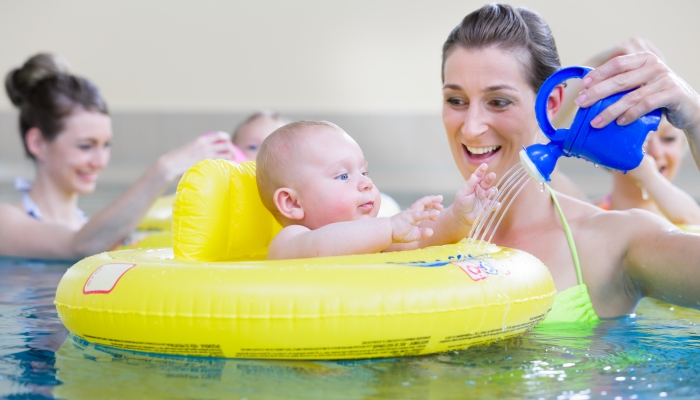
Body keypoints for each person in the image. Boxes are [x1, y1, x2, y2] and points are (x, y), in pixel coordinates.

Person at [440, 4, 700, 321]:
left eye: (498, 102)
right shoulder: (412, 235)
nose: (470, 127)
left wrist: (696, 119)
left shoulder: (612, 246)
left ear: (551, 104)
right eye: (456, 100)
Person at [0, 53, 237, 260]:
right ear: (38, 143)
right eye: (85, 146)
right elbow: (80, 246)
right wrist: (164, 169)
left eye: (106, 145)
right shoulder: (6, 222)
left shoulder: (92, 227)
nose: (100, 161)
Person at [255, 120, 498, 260]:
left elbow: (423, 239)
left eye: (364, 172)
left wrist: (457, 216)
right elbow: (321, 246)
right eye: (343, 175)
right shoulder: (290, 241)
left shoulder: (376, 238)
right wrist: (390, 228)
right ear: (292, 203)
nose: (366, 183)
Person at [552, 38, 700, 225]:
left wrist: (649, 177)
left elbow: (693, 220)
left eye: (669, 139)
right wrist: (592, 69)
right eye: (643, 139)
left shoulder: (685, 215)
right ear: (605, 147)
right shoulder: (589, 213)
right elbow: (533, 136)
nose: (655, 152)